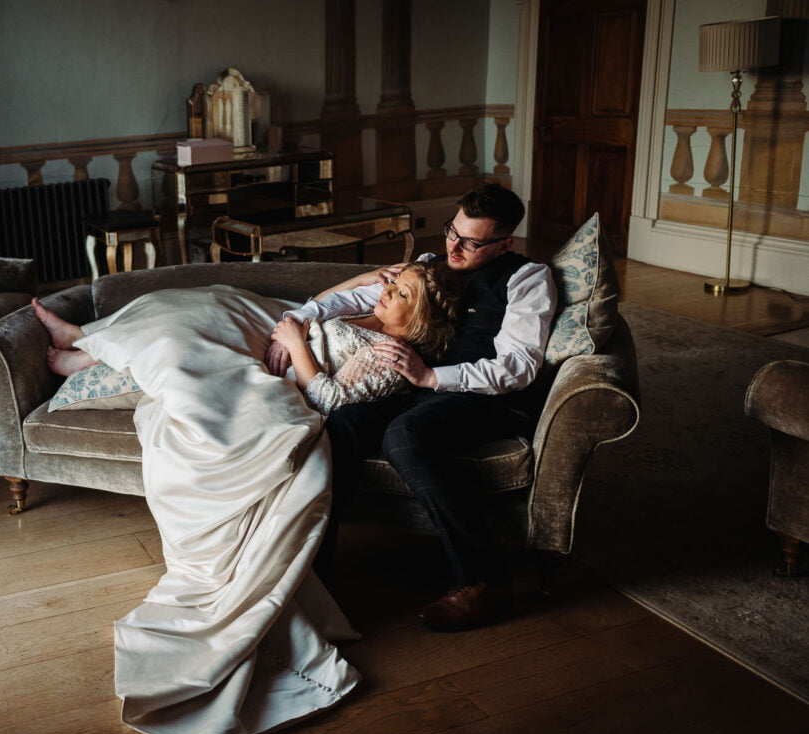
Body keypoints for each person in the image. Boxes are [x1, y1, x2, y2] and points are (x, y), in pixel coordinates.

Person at [271, 183, 556, 632]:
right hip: (415, 389)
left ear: (505, 243)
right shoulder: (426, 265)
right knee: (341, 422)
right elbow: (360, 298)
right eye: (451, 232)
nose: (454, 247)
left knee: (404, 435)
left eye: (471, 242)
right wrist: (301, 319)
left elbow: (517, 367)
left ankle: (487, 581)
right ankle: (312, 577)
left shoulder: (526, 279)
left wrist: (430, 377)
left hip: (488, 397)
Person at [32, 261, 461, 416]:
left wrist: (294, 344)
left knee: (185, 334)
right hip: (281, 323)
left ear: (420, 317)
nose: (386, 291)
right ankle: (85, 334)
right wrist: (365, 277)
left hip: (283, 358)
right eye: (393, 284)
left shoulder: (391, 354)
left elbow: (332, 401)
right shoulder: (376, 311)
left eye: (400, 292)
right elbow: (320, 303)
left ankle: (85, 356)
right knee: (204, 300)